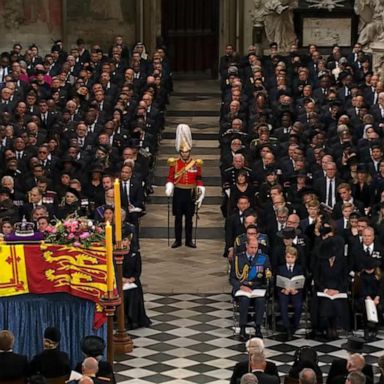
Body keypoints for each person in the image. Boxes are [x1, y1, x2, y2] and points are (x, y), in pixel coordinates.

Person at [165, 124, 205, 248]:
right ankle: (177, 240)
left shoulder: (196, 164)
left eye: (187, 152)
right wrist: (169, 186)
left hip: (190, 193)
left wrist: (200, 188)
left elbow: (198, 178)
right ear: (180, 152)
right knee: (178, 219)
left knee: (189, 219)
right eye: (183, 152)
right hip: (179, 192)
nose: (185, 154)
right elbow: (171, 177)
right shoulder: (174, 163)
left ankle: (188, 240)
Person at [230, 237, 272, 340]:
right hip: (242, 288)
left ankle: (258, 328)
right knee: (244, 300)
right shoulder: (238, 258)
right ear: (247, 246)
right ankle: (242, 329)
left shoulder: (263, 258)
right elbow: (232, 278)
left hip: (257, 288)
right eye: (252, 247)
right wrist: (241, 286)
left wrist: (268, 277)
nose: (254, 250)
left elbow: (268, 276)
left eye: (256, 248)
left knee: (261, 300)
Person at [276, 246, 304, 339]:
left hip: (295, 291)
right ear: (285, 257)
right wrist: (283, 289)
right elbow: (277, 282)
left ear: (295, 258)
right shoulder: (281, 268)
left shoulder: (299, 268)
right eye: (288, 257)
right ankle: (287, 327)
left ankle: (295, 326)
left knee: (298, 306)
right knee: (283, 305)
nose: (290, 259)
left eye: (292, 257)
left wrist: (296, 289)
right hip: (284, 291)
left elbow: (302, 281)